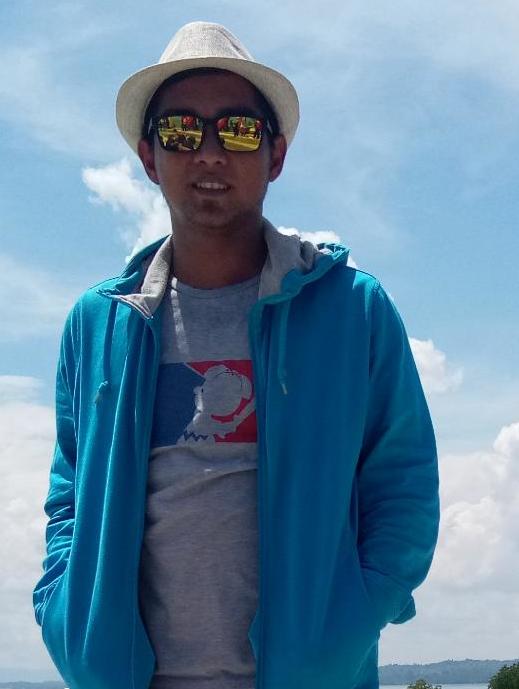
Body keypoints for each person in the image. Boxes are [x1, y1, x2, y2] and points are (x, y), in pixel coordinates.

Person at [32, 20, 440, 689]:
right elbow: (68, 496)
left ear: (275, 155)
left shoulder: (353, 310)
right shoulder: (98, 323)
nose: (210, 152)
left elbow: (403, 486)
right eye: (181, 131)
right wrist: (62, 608)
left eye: (239, 130)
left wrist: (352, 620)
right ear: (149, 157)